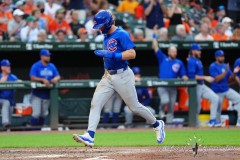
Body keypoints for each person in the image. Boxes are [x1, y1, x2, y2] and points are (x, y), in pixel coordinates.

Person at [73, 10, 165, 147]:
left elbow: (132, 53)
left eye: (102, 26)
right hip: (108, 76)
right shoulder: (105, 34)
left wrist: (113, 55)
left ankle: (157, 124)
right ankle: (90, 135)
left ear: (109, 23)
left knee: (135, 107)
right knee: (95, 104)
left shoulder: (121, 34)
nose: (100, 29)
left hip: (123, 75)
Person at [152, 31, 188, 124]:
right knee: (165, 101)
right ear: (168, 52)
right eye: (172, 51)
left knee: (171, 106)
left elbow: (183, 74)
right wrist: (154, 35)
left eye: (175, 51)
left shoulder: (179, 62)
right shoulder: (163, 58)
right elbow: (155, 47)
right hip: (162, 85)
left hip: (173, 86)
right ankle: (161, 110)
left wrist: (184, 77)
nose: (174, 53)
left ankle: (169, 125)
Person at [187, 43, 220, 127]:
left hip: (202, 85)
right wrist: (205, 77)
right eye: (198, 50)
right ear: (193, 51)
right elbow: (192, 76)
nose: (200, 52)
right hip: (195, 87)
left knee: (215, 98)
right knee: (197, 107)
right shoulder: (191, 61)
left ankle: (212, 120)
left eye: (200, 50)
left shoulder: (197, 60)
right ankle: (195, 124)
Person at [29, 49, 60, 128]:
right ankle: (32, 131)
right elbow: (32, 77)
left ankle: (39, 131)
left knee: (43, 114)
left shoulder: (51, 66)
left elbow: (58, 76)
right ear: (42, 56)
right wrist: (42, 79)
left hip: (47, 94)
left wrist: (55, 78)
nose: (48, 57)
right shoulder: (36, 65)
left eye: (49, 56)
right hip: (37, 94)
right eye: (47, 56)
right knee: (36, 113)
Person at [209, 50, 240, 127]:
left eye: (223, 56)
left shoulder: (225, 65)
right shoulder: (213, 66)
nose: (222, 58)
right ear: (216, 57)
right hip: (217, 91)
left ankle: (239, 122)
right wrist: (225, 72)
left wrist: (234, 73)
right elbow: (217, 79)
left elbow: (230, 78)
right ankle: (216, 124)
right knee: (218, 110)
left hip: (226, 89)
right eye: (221, 56)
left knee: (239, 99)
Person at [0, 59, 19, 131]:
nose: (9, 67)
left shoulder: (13, 77)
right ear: (2, 68)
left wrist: (19, 82)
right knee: (6, 102)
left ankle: (7, 130)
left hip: (10, 102)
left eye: (9, 66)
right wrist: (3, 80)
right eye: (7, 66)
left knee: (8, 122)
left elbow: (19, 82)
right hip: (1, 100)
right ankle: (5, 122)